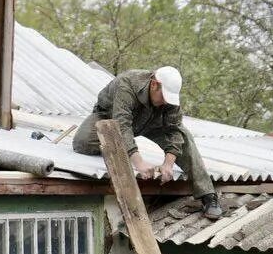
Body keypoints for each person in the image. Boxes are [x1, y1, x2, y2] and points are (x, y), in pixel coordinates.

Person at [72, 66, 221, 219]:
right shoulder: (127, 83)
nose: (165, 102)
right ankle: (120, 147)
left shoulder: (169, 99)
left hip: (151, 121)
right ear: (154, 84)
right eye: (163, 96)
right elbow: (121, 125)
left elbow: (174, 130)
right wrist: (138, 162)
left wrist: (168, 164)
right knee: (82, 142)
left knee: (185, 137)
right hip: (110, 117)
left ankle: (208, 195)